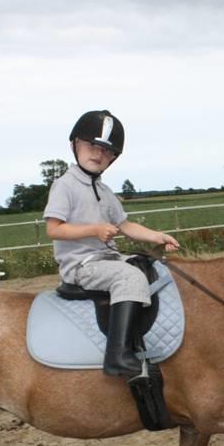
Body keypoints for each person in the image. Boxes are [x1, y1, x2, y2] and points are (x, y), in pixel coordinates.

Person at [44, 110, 180, 380]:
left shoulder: (104, 191)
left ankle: (141, 339)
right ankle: (116, 355)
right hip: (82, 265)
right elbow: (54, 229)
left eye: (107, 151)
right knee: (129, 277)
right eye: (92, 145)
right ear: (75, 144)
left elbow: (125, 225)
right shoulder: (65, 186)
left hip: (106, 260)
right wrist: (94, 230)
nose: (98, 154)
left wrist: (156, 236)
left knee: (149, 267)